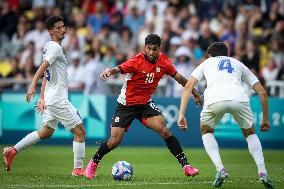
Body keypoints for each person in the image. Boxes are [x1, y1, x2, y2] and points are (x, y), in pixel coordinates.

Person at [85, 34, 203, 179]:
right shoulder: (136, 61)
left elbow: (179, 78)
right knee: (114, 141)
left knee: (164, 130)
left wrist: (195, 93)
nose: (151, 52)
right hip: (126, 105)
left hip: (145, 104)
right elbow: (118, 69)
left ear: (159, 49)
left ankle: (186, 166)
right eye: (149, 49)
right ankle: (93, 163)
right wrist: (108, 71)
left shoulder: (164, 62)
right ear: (144, 48)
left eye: (155, 49)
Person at [178, 42, 274, 188]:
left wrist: (181, 114)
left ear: (209, 55)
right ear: (227, 54)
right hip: (239, 99)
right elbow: (262, 93)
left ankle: (220, 168)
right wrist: (265, 119)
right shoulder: (237, 63)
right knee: (250, 133)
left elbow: (188, 86)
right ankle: (262, 172)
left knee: (206, 131)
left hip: (214, 99)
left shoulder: (206, 63)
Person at [3, 16, 86, 177]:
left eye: (63, 26)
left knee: (46, 132)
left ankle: (12, 151)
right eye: (59, 27)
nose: (63, 29)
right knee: (80, 132)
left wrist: (42, 98)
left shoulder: (48, 47)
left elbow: (47, 77)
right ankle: (78, 170)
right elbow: (42, 69)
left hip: (50, 98)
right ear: (51, 32)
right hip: (58, 99)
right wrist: (32, 86)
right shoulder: (55, 48)